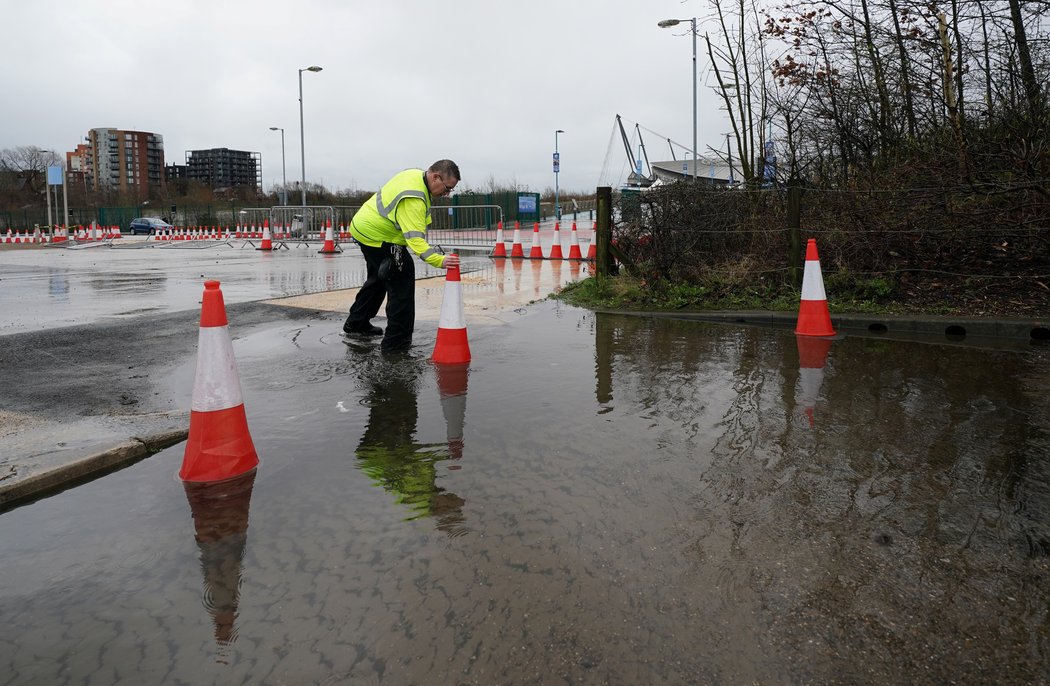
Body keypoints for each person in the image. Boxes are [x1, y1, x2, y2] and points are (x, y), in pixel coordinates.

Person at [344, 160, 461, 352]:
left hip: (364, 228)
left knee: (379, 279)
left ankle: (356, 324)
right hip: (379, 235)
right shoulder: (413, 198)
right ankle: (396, 344)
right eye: (447, 188)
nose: (447, 194)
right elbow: (416, 241)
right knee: (401, 282)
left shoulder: (415, 175)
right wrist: (440, 260)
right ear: (435, 177)